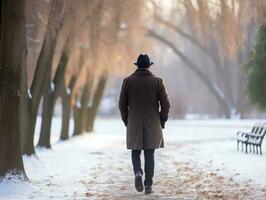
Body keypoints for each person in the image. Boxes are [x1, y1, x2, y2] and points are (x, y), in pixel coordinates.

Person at [119, 54, 170, 194]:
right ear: (149, 66)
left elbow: (121, 104)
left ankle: (137, 173)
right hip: (152, 123)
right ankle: (148, 186)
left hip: (134, 122)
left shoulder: (127, 81)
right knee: (149, 153)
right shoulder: (158, 82)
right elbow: (166, 104)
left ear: (137, 66)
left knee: (135, 151)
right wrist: (161, 120)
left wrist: (126, 120)